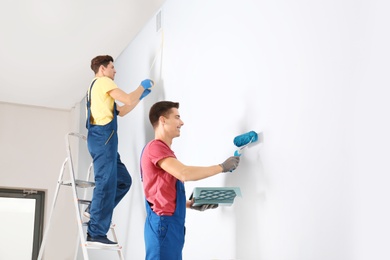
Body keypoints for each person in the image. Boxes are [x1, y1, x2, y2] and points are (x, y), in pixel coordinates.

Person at [140, 101, 240, 259]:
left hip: (170, 225)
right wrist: (221, 167)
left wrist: (188, 204)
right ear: (163, 120)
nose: (182, 122)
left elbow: (159, 190)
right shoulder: (155, 147)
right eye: (177, 117)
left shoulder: (164, 152)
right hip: (164, 225)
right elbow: (184, 173)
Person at [85, 55, 154, 247]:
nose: (115, 71)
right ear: (102, 69)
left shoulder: (99, 90)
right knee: (105, 183)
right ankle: (96, 232)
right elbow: (127, 97)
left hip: (104, 141)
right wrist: (141, 87)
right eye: (112, 67)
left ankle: (94, 210)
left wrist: (139, 97)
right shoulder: (103, 82)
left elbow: (122, 111)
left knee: (123, 181)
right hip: (103, 140)